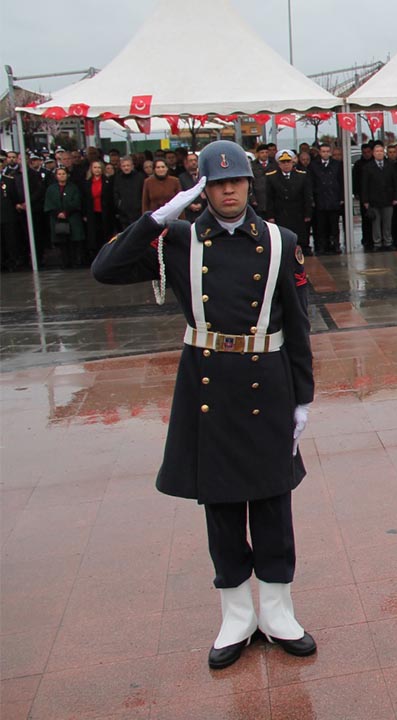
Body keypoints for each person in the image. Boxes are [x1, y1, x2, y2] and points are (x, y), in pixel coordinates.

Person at [91, 139, 315, 670]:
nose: (228, 189)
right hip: (208, 385)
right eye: (216, 183)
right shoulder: (180, 240)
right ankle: (236, 615)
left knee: (271, 502)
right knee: (220, 505)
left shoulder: (281, 242)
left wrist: (303, 398)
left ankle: (279, 611)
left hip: (268, 381)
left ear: (249, 183)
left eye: (235, 180)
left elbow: (300, 324)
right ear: (203, 189)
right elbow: (105, 268)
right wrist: (154, 219)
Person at [264, 150, 314, 254]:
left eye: (288, 162)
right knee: (283, 238)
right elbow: (270, 198)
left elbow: (307, 196)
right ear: (279, 164)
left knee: (300, 236)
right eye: (283, 162)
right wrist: (270, 216)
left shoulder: (301, 176)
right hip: (281, 213)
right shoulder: (272, 177)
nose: (286, 165)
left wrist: (308, 213)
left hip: (298, 212)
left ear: (293, 163)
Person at [360, 142, 397, 252]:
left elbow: (395, 183)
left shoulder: (390, 166)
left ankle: (388, 242)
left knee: (387, 223)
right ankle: (377, 243)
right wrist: (365, 200)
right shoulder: (368, 167)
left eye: (381, 151)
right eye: (377, 151)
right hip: (374, 200)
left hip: (388, 199)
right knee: (375, 223)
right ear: (373, 153)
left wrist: (396, 197)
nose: (379, 153)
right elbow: (365, 185)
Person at [45, 167, 85, 268]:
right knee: (61, 242)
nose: (61, 176)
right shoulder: (51, 189)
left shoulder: (73, 187)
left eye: (63, 174)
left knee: (73, 241)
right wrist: (57, 213)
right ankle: (64, 262)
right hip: (57, 218)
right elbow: (49, 203)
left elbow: (76, 202)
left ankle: (75, 261)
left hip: (72, 217)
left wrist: (66, 212)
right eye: (59, 174)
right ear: (56, 176)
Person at [310, 143, 344, 254]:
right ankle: (322, 246)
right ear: (319, 152)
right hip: (320, 199)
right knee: (321, 226)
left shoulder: (337, 164)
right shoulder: (314, 165)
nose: (325, 153)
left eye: (327, 151)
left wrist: (341, 197)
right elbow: (311, 183)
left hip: (333, 199)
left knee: (334, 225)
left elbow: (341, 181)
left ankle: (336, 245)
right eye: (323, 151)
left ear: (330, 152)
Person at [83, 160, 114, 262]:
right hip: (92, 212)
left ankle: (106, 255)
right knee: (93, 234)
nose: (97, 170)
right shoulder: (87, 183)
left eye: (99, 167)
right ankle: (94, 256)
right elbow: (84, 198)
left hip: (105, 212)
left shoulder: (107, 181)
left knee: (105, 233)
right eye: (95, 167)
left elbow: (111, 198)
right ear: (91, 169)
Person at [178, 153, 204, 222]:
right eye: (191, 160)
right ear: (186, 163)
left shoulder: (204, 175)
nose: (193, 162)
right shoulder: (181, 178)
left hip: (203, 211)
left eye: (195, 160)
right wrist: (189, 205)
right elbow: (180, 194)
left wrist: (202, 204)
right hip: (188, 214)